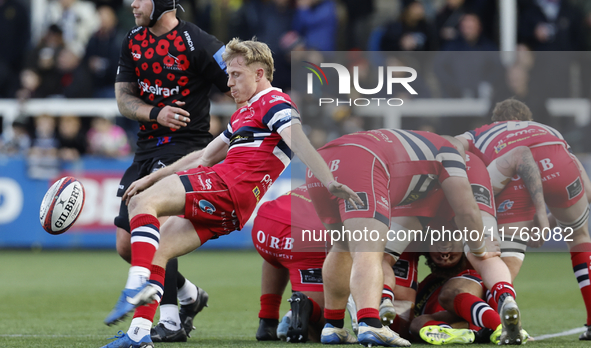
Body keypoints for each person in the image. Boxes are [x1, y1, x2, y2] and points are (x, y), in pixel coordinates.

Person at [99, 37, 362, 348]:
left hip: (226, 186)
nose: (229, 82)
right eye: (228, 74)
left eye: (236, 74)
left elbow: (299, 141)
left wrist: (329, 180)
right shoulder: (244, 113)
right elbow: (204, 156)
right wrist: (152, 177)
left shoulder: (275, 102)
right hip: (232, 207)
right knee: (160, 250)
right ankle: (140, 333)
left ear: (260, 74)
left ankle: (135, 283)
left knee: (144, 203)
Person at [307, 130, 528, 346]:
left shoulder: (422, 144)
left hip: (324, 163)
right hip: (370, 164)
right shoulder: (456, 157)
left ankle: (343, 321)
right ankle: (504, 297)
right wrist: (479, 247)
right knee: (485, 255)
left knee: (348, 245)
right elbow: (468, 212)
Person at [109, 0, 232, 343]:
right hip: (147, 145)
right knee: (127, 245)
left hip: (187, 147)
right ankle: (189, 294)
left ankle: (171, 320)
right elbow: (123, 98)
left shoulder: (199, 42)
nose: (133, 5)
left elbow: (238, 78)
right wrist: (154, 113)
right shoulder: (133, 40)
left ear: (162, 2)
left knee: (157, 226)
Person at [457, 99, 591, 340]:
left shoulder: (482, 132)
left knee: (501, 265)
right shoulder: (547, 129)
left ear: (496, 121)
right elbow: (584, 183)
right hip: (561, 169)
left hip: (513, 179)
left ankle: (488, 319)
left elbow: (450, 144)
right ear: (527, 119)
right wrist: (551, 219)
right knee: (579, 238)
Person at [252, 185, 329, 343]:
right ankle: (301, 308)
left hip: (265, 224)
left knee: (280, 256)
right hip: (304, 235)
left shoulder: (327, 174)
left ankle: (268, 320)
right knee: (324, 325)